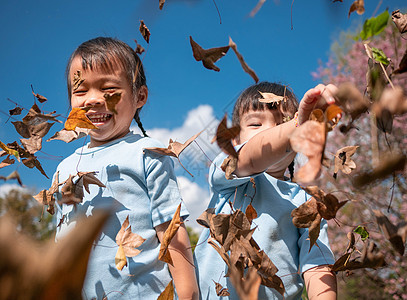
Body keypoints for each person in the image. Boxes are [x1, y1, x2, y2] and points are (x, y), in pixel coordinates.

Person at [54, 37, 198, 299]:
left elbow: (171, 230)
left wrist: (188, 293)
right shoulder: (64, 169)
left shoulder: (146, 153)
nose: (94, 100)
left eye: (109, 88)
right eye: (80, 90)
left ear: (139, 96)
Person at [194, 82, 338, 299]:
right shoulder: (227, 173)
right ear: (234, 140)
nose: (272, 131)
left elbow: (317, 264)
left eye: (282, 123)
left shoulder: (306, 203)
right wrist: (296, 125)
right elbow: (251, 157)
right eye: (255, 124)